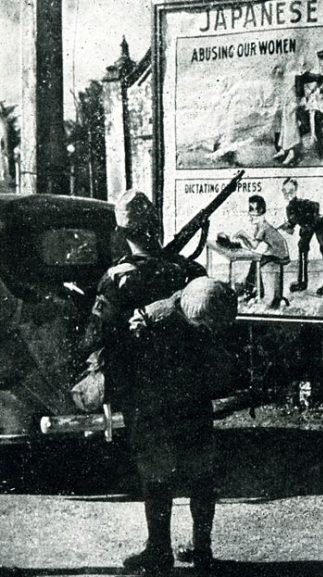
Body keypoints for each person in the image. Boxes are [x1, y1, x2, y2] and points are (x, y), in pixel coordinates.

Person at [83, 190, 210, 574]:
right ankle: (202, 549)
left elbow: (94, 335)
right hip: (192, 383)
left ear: (123, 232)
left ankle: (159, 550)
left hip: (147, 389)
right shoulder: (190, 271)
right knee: (200, 467)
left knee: (155, 468)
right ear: (154, 224)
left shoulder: (117, 278)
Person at [127, 276, 238, 573]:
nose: (208, 332)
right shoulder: (154, 318)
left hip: (193, 407)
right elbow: (133, 363)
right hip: (158, 410)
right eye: (202, 327)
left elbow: (219, 357)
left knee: (202, 479)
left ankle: (203, 550)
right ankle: (159, 550)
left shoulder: (214, 303)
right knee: (157, 480)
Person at [273, 45, 323, 164]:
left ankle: (291, 151)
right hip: (308, 110)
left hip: (314, 113)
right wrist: (302, 95)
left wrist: (309, 101)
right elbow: (300, 79)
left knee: (291, 111)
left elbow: (318, 103)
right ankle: (285, 149)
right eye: (322, 61)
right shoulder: (319, 76)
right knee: (287, 109)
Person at [232, 194, 290, 307]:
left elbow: (253, 244)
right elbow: (253, 247)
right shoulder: (260, 227)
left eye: (253, 214)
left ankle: (253, 291)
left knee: (256, 263)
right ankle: (254, 290)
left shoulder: (263, 227)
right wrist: (243, 238)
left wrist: (243, 234)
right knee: (256, 262)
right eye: (250, 212)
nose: (251, 216)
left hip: (279, 254)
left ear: (261, 212)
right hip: (274, 251)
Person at [279, 178, 323, 295]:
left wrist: (305, 222)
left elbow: (315, 208)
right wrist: (287, 226)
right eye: (285, 191)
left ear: (296, 190)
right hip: (308, 226)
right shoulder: (289, 208)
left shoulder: (303, 203)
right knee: (302, 246)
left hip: (319, 224)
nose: (288, 194)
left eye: (291, 191)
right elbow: (291, 227)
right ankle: (302, 282)